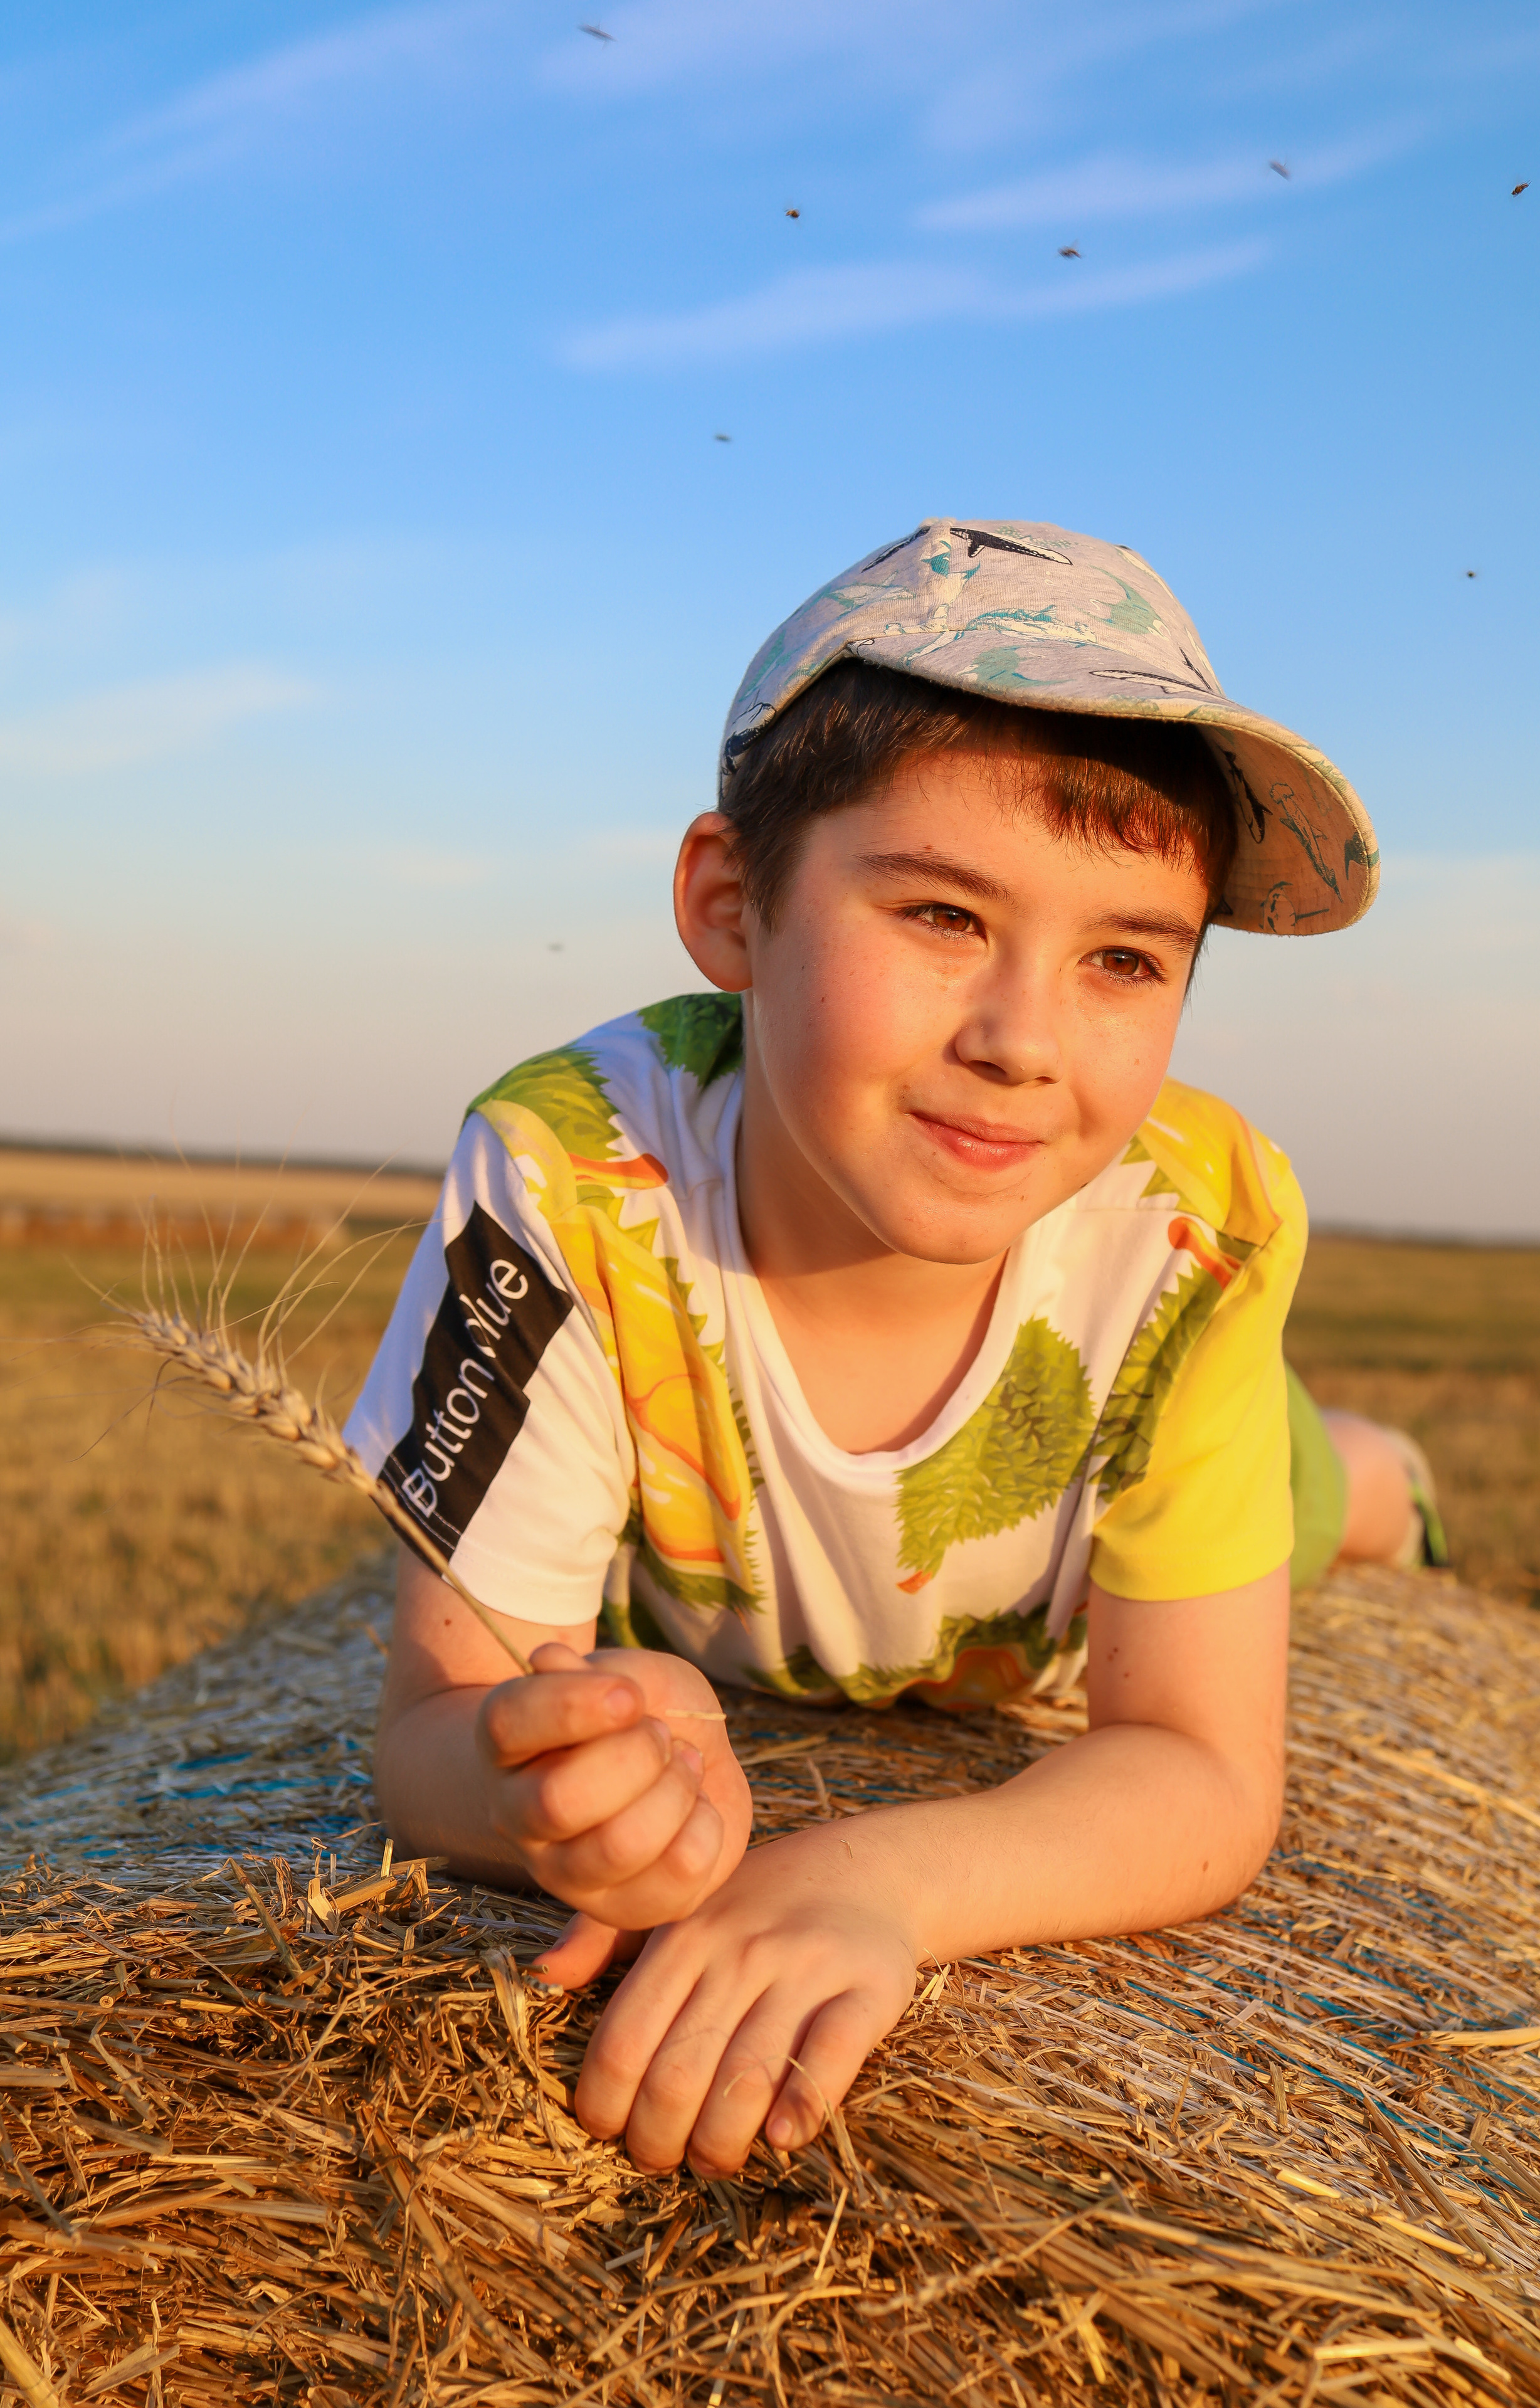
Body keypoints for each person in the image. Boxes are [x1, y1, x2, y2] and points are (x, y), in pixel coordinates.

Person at [348, 519, 1447, 2178]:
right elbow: (437, 1728)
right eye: (940, 915)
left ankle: (1373, 1462)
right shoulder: (573, 1182)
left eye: (1126, 959)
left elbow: (1204, 1772)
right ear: (732, 906)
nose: (1020, 1040)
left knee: (1319, 1503)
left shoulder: (1195, 1234)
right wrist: (536, 1795)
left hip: (1098, 1522)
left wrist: (873, 1879)